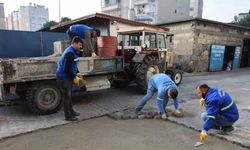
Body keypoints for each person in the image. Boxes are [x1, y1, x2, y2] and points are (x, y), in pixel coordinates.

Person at [56, 37, 84, 121]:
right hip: (63, 77)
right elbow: (66, 69)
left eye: (81, 45)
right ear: (74, 43)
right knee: (66, 97)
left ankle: (71, 111)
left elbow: (74, 64)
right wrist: (74, 77)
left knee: (69, 95)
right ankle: (68, 116)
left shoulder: (74, 51)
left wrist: (78, 73)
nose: (81, 47)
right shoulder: (70, 53)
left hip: (67, 76)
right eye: (79, 45)